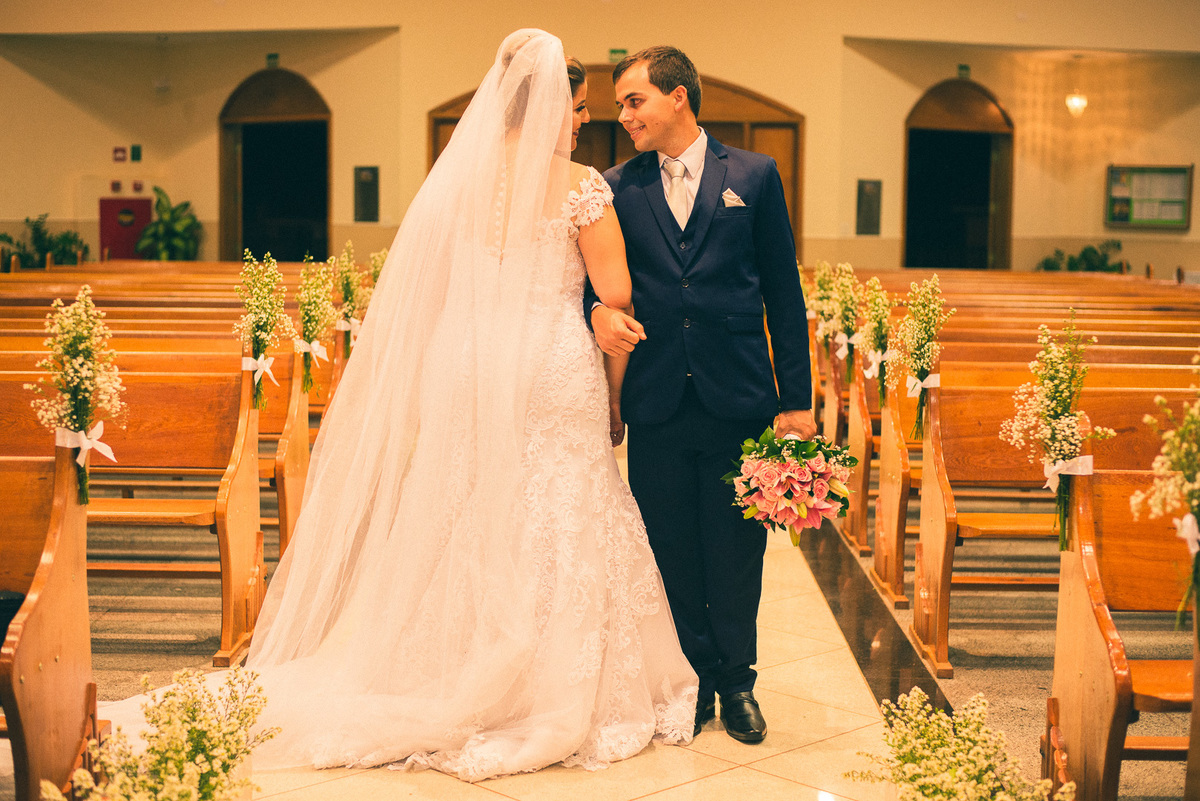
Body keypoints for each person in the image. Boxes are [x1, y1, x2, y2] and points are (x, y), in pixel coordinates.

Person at [104, 29, 697, 782]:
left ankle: (459, 657)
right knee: (565, 498)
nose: (582, 121)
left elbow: (437, 289)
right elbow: (614, 298)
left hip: (468, 359)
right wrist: (610, 384)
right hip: (546, 362)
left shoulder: (461, 181)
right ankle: (548, 680)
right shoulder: (580, 185)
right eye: (577, 108)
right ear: (548, 105)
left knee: (471, 501)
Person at [587, 46, 816, 745]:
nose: (623, 115)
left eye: (634, 100)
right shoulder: (615, 188)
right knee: (670, 550)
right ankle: (692, 678)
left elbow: (784, 290)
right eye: (621, 105)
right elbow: (589, 289)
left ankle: (736, 679)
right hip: (655, 397)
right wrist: (598, 321)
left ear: (678, 97)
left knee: (736, 547)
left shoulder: (753, 174)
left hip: (739, 395)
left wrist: (797, 400)